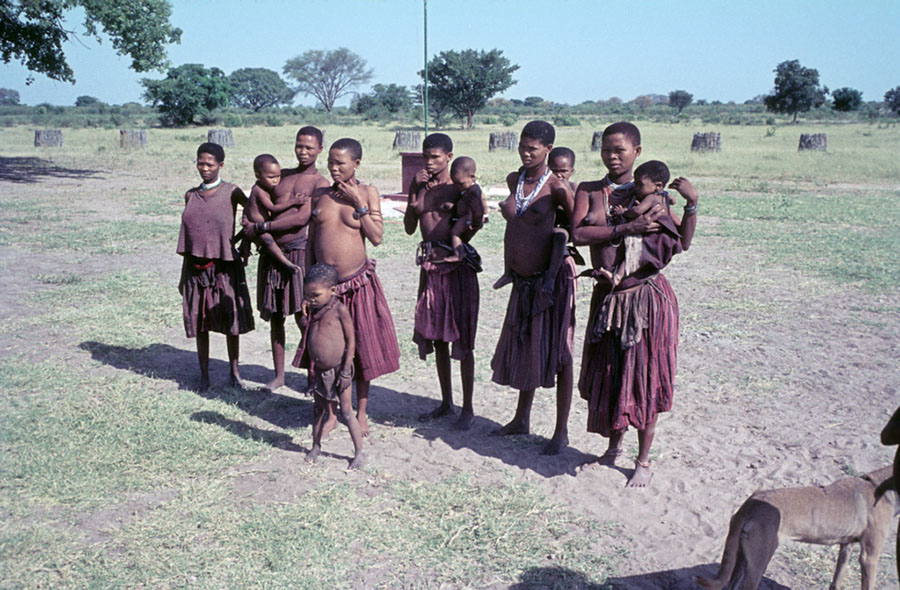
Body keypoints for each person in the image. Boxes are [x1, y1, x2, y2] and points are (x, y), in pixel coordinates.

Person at [572, 121, 699, 487]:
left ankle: (642, 460)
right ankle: (613, 450)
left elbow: (683, 242)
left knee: (645, 375)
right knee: (613, 374)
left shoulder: (654, 197)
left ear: (637, 153)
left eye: (620, 150)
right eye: (606, 150)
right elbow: (580, 234)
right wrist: (623, 229)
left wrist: (692, 205)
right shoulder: (591, 191)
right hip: (608, 299)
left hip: (645, 299)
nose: (612, 157)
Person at [295, 138, 401, 437]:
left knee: (362, 350)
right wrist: (308, 286)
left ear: (356, 163)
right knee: (325, 353)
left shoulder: (368, 193)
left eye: (340, 163)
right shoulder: (320, 195)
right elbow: (310, 243)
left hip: (358, 283)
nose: (334, 168)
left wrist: (359, 204)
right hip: (325, 290)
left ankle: (360, 412)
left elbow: (377, 236)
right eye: (330, 162)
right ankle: (329, 413)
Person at [490, 120, 576, 455]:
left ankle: (561, 430)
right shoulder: (516, 180)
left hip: (551, 282)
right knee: (527, 345)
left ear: (548, 150)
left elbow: (570, 232)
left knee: (560, 353)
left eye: (533, 149)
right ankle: (521, 419)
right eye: (522, 147)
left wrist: (551, 276)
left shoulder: (557, 188)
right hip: (522, 282)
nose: (526, 153)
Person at [241, 127, 330, 392]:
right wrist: (250, 226)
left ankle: (313, 375)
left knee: (303, 317)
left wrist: (262, 228)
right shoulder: (281, 175)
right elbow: (257, 204)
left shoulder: (319, 183)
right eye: (299, 146)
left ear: (320, 150)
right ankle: (279, 375)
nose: (303, 152)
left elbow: (302, 218)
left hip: (298, 253)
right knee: (276, 316)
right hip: (271, 255)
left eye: (309, 148)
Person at [403, 134, 482, 430]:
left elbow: (474, 221)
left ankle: (468, 408)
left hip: (455, 269)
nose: (429, 162)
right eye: (426, 156)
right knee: (436, 338)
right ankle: (447, 402)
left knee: (461, 339)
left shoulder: (459, 187)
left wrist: (457, 243)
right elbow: (411, 229)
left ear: (449, 156)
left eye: (435, 157)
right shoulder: (422, 188)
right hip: (430, 267)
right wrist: (415, 188)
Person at [176, 142, 254, 391]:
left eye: (210, 164)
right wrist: (182, 277)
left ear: (221, 165)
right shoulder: (190, 195)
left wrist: (242, 242)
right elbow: (190, 240)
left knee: (231, 321)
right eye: (200, 163)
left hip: (224, 268)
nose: (204, 168)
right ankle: (204, 376)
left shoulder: (232, 192)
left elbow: (254, 214)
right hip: (195, 269)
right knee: (200, 322)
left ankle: (234, 372)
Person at [301, 263, 365, 469]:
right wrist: (305, 314)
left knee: (346, 411)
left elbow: (351, 340)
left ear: (333, 290)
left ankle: (359, 452)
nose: (311, 299)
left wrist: (347, 369)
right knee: (318, 409)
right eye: (307, 295)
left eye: (315, 295)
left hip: (340, 370)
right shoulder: (314, 309)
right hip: (320, 371)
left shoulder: (340, 310)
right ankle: (316, 445)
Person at [593, 160, 677, 289]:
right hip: (661, 239)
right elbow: (672, 200)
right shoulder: (663, 195)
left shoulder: (651, 197)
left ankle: (617, 276)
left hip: (649, 237)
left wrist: (623, 212)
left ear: (658, 186)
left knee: (632, 253)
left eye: (639, 185)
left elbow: (638, 211)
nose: (635, 188)